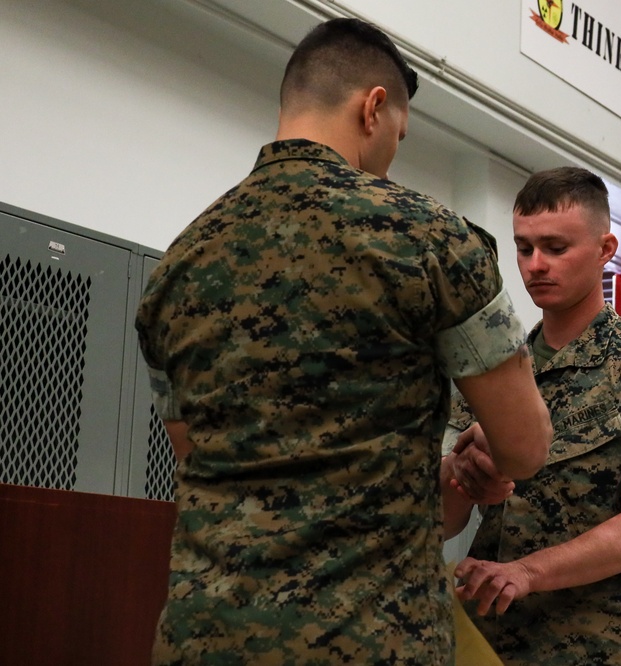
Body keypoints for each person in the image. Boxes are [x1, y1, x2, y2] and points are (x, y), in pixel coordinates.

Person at [134, 18, 551, 665]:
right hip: (365, 637)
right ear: (374, 107)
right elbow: (524, 447)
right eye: (398, 137)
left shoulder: (177, 267)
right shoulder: (433, 239)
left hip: (205, 635)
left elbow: (193, 454)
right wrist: (475, 458)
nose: (391, 155)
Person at [443, 166, 621, 665]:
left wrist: (528, 572)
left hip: (607, 647)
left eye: (556, 249)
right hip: (496, 643)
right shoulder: (493, 371)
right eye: (524, 248)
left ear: (605, 249)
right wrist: (463, 475)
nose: (536, 265)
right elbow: (443, 518)